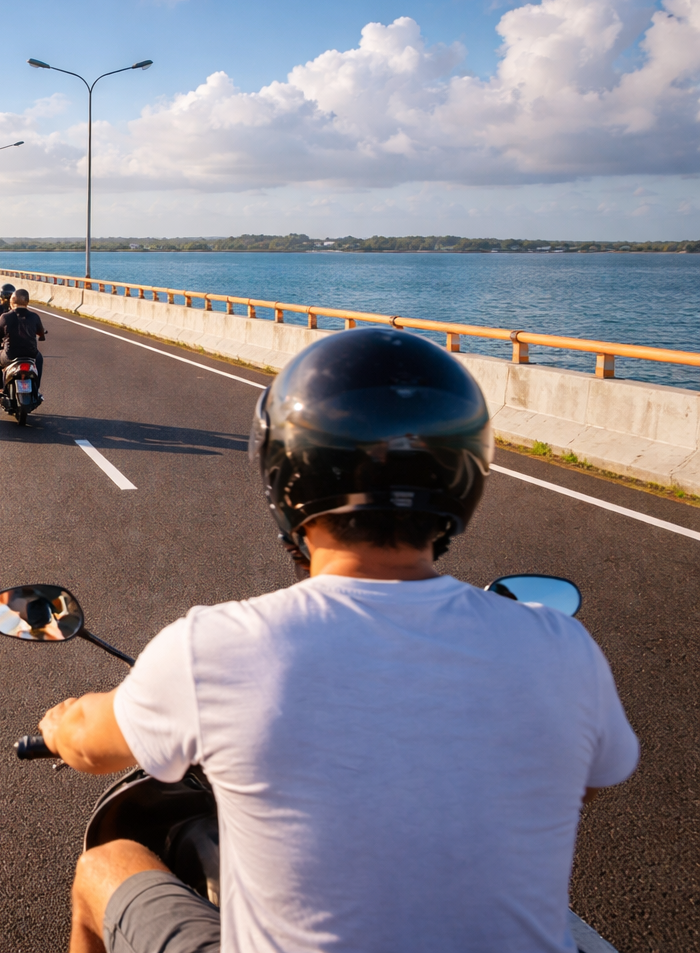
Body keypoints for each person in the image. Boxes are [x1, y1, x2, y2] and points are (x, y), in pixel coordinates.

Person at [39, 329, 639, 953]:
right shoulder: (560, 646)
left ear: (286, 475)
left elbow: (90, 743)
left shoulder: (216, 647)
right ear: (462, 476)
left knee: (104, 869)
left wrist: (58, 727)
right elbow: (586, 782)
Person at [0, 288, 45, 395]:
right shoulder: (34, 316)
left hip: (10, 355)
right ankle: (36, 388)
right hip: (31, 354)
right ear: (27, 302)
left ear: (11, 302)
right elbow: (41, 333)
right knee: (39, 359)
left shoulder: (5, 317)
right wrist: (41, 336)